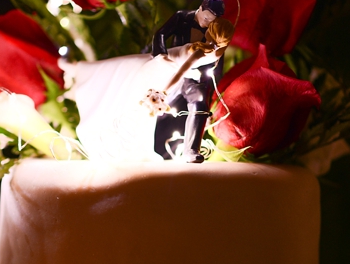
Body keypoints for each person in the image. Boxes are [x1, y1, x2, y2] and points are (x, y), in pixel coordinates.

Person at [58, 11, 232, 163]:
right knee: (135, 103)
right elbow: (182, 70)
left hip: (165, 73)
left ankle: (133, 150)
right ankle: (116, 145)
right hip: (160, 72)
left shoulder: (214, 51)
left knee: (142, 112)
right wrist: (164, 90)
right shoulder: (202, 51)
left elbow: (191, 71)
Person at [150, 0, 227, 162]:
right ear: (200, 9)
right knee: (159, 106)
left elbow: (218, 63)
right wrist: (161, 56)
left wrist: (213, 83)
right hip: (174, 67)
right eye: (206, 18)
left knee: (199, 106)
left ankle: (191, 150)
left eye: (211, 21)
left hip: (198, 78)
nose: (207, 23)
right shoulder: (181, 18)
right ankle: (146, 142)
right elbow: (161, 34)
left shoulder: (215, 38)